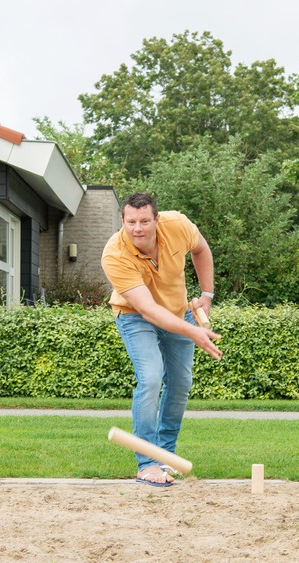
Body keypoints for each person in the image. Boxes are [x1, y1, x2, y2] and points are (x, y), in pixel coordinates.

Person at [102, 193, 222, 487]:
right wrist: (192, 331)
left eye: (144, 221)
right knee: (151, 377)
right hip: (135, 316)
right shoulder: (114, 254)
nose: (137, 228)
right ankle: (147, 463)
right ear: (122, 221)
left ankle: (165, 455)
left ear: (157, 219)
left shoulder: (177, 225)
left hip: (178, 311)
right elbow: (147, 309)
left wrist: (207, 295)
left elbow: (201, 249)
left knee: (181, 383)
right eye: (131, 222)